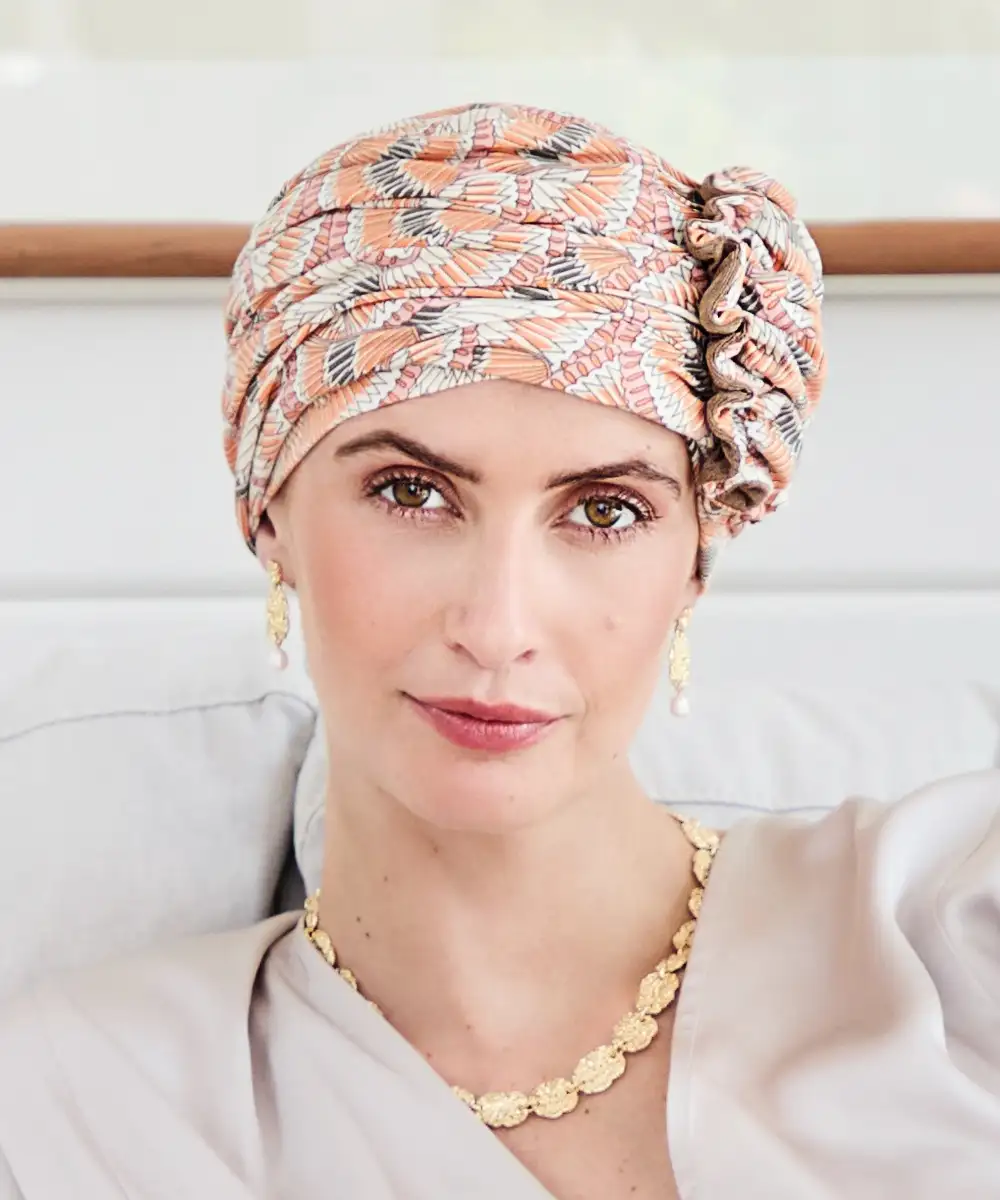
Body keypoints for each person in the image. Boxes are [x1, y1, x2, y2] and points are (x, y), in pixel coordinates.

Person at [0, 101, 997, 1200]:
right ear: (267, 511)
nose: (498, 626)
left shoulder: (948, 936)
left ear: (696, 562)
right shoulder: (79, 1105)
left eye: (606, 511)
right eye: (410, 492)